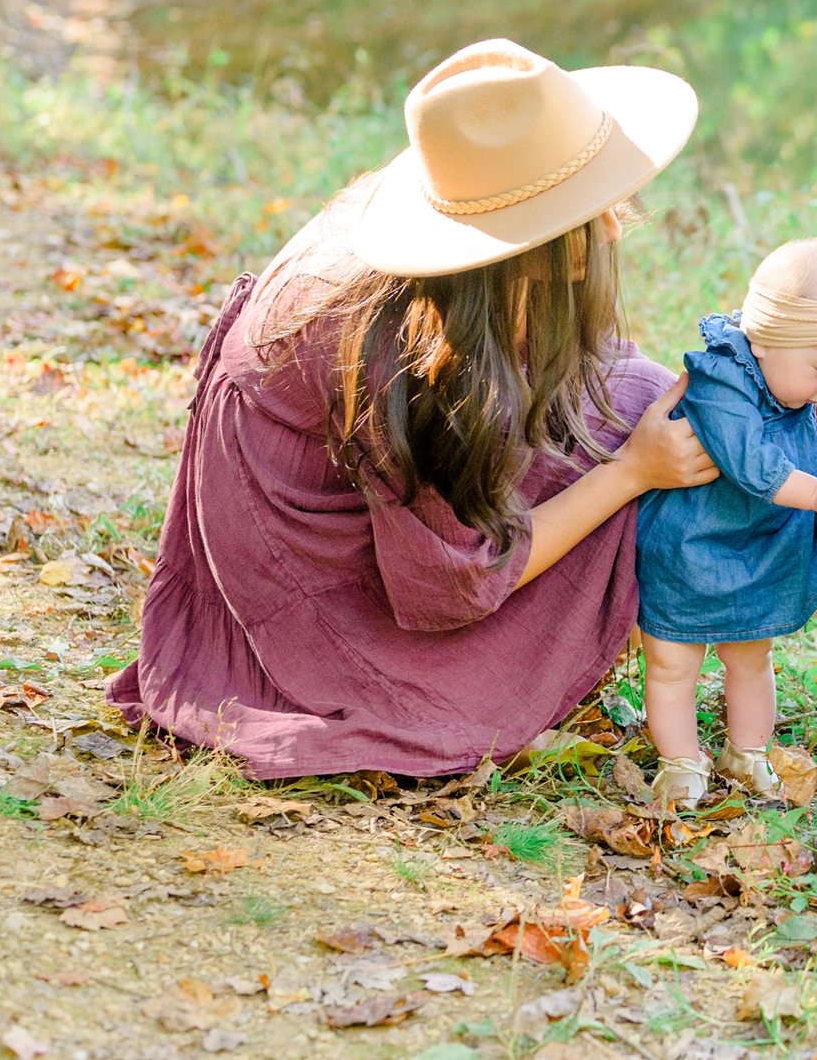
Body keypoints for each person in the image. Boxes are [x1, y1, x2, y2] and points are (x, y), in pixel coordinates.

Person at [108, 39, 717, 779]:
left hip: (380, 436)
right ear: (525, 250)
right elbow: (452, 584)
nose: (617, 225)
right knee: (637, 448)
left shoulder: (468, 276)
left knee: (644, 395)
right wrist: (627, 474)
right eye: (591, 213)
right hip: (298, 544)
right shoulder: (410, 350)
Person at [632, 239, 817, 807]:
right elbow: (752, 464)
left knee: (752, 652)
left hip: (762, 541)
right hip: (694, 541)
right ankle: (679, 762)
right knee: (673, 660)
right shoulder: (720, 382)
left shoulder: (795, 369)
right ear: (765, 339)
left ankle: (746, 752)